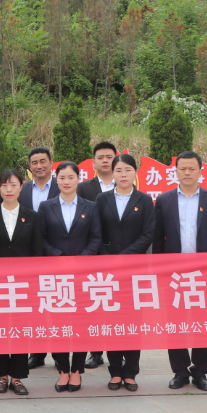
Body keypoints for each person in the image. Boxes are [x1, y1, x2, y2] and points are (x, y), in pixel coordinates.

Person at [154, 150, 207, 392]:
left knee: (203, 323)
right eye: (182, 168)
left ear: (200, 172)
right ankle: (180, 371)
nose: (187, 172)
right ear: (175, 171)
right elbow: (158, 241)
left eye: (191, 168)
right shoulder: (164, 201)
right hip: (173, 275)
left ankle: (200, 371)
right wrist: (159, 272)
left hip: (203, 274)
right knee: (174, 323)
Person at [38, 161, 101, 392]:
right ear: (56, 180)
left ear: (78, 179)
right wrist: (61, 257)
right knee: (58, 324)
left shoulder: (90, 207)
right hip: (56, 275)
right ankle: (63, 370)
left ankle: (76, 371)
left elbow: (96, 237)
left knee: (80, 323)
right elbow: (41, 238)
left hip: (83, 275)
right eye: (62, 177)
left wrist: (81, 260)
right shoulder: (46, 206)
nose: (66, 182)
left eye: (71, 177)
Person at [95, 154, 154, 392]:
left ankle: (130, 372)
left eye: (128, 170)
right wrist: (108, 259)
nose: (123, 175)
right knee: (112, 321)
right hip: (108, 272)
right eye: (118, 170)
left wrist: (124, 257)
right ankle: (115, 372)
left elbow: (148, 234)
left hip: (134, 271)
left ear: (135, 173)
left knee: (132, 322)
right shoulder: (102, 199)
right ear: (113, 173)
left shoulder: (145, 200)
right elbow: (96, 232)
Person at [0, 170, 43, 395]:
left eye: (13, 185)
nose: (9, 189)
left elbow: (37, 252)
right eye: (4, 185)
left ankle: (17, 377)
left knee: (20, 328)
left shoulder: (32, 216)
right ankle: (1, 376)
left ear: (21, 187)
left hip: (23, 284)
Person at [77, 141, 118, 369]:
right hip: (92, 254)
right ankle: (95, 352)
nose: (105, 161)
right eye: (100, 157)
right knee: (94, 305)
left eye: (109, 157)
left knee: (116, 307)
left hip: (119, 256)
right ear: (93, 162)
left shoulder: (125, 183)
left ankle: (118, 351)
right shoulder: (84, 188)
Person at [21, 146, 57, 370]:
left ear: (51, 163)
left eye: (43, 161)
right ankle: (37, 353)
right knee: (36, 307)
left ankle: (60, 354)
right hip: (30, 256)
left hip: (57, 255)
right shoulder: (23, 189)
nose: (39, 166)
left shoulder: (63, 184)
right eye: (34, 162)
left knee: (59, 305)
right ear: (30, 166)